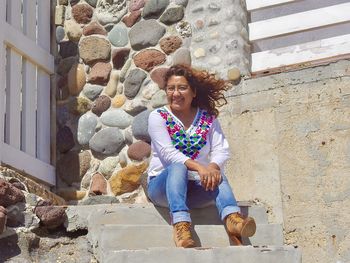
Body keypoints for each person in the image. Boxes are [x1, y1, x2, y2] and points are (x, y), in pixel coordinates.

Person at [147, 64, 256, 248]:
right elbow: (168, 154)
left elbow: (221, 150)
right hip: (163, 188)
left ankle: (233, 220)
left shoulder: (208, 118)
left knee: (217, 174)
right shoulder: (158, 117)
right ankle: (181, 225)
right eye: (171, 88)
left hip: (195, 190)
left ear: (193, 92)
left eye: (182, 87)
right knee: (177, 166)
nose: (175, 93)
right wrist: (200, 167)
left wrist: (212, 168)